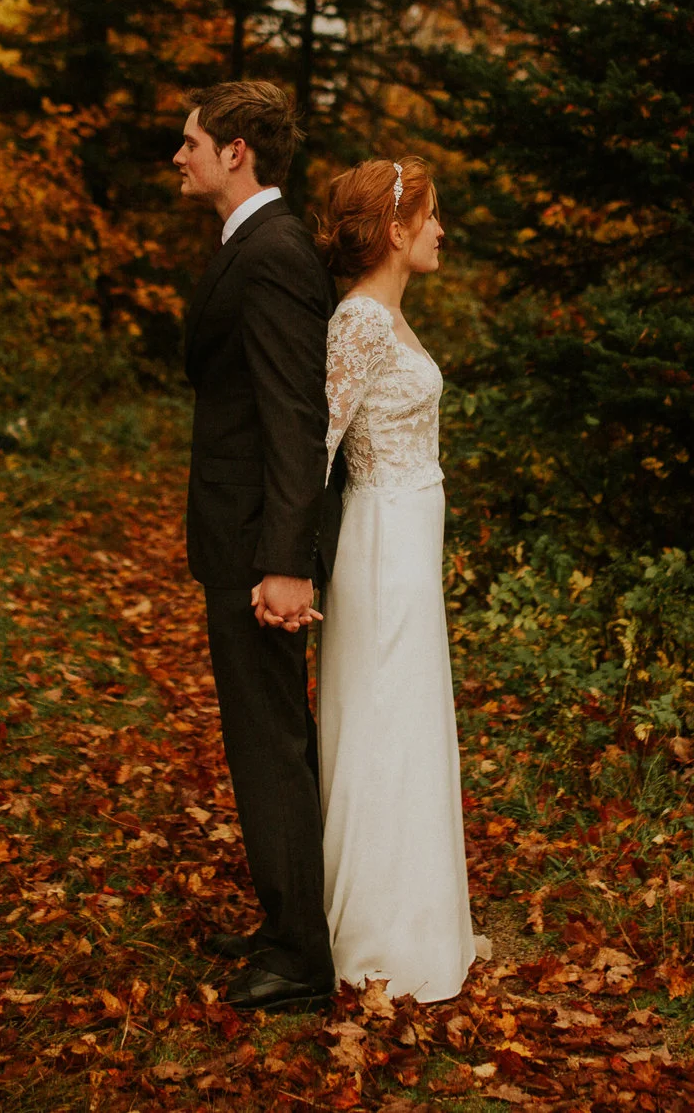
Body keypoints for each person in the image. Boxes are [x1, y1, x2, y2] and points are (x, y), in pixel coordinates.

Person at [171, 82, 335, 1013]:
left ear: (237, 150)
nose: (180, 155)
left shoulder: (271, 255)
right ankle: (289, 921)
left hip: (254, 548)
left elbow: (293, 412)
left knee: (269, 743)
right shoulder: (255, 244)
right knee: (270, 739)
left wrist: (285, 559)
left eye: (190, 141)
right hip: (240, 537)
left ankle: (300, 960)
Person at [312, 157, 482, 1002]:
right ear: (395, 229)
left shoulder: (388, 315)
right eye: (432, 217)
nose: (443, 231)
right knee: (383, 717)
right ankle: (380, 931)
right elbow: (319, 445)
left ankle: (421, 916)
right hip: (380, 542)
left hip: (414, 538)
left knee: (412, 719)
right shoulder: (358, 323)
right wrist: (288, 562)